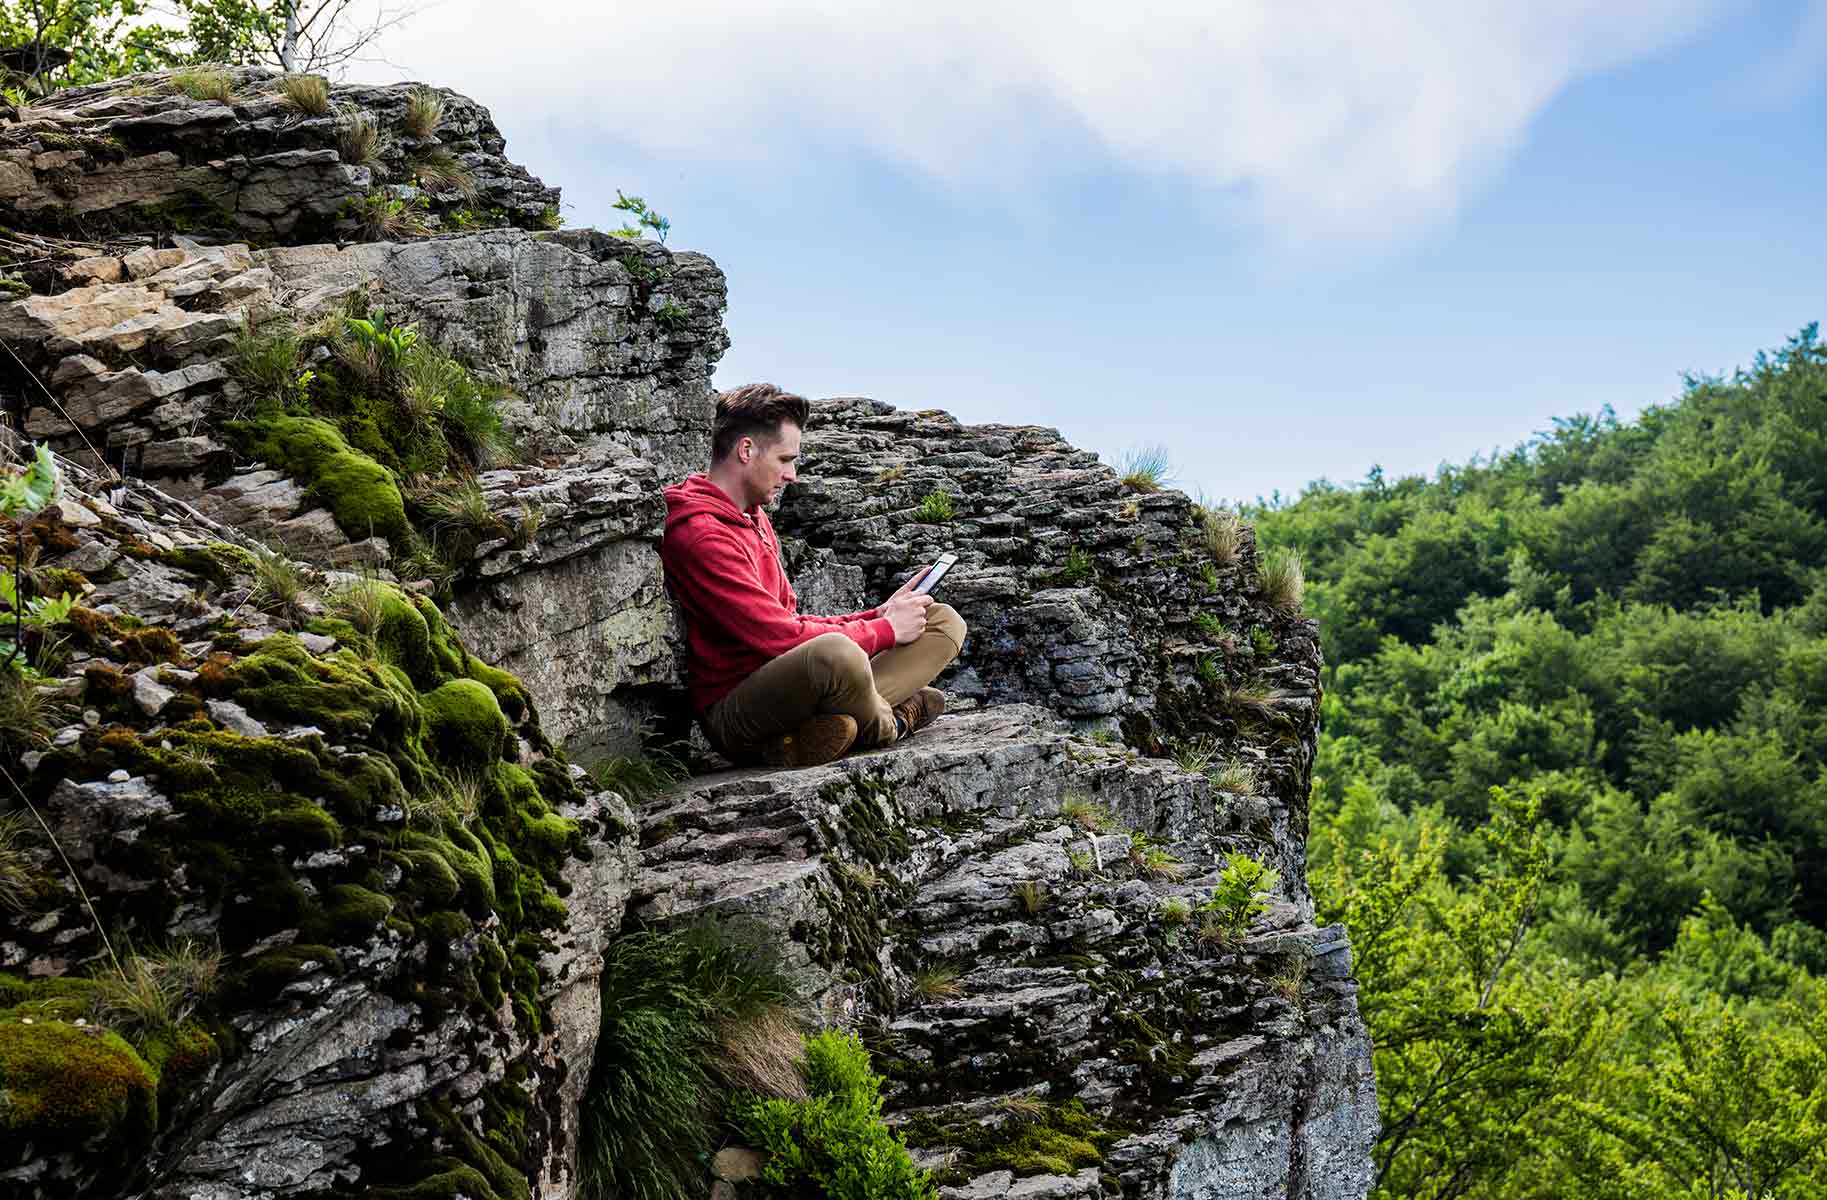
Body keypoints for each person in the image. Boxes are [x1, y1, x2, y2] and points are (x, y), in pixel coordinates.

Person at [660, 383, 967, 768]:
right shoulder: (701, 534)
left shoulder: (753, 518)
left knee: (941, 622)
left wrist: (878, 614)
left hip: (795, 683)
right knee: (837, 655)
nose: (791, 475)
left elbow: (792, 622)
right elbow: (779, 637)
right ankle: (893, 724)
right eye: (785, 459)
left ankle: (823, 732)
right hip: (737, 711)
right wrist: (886, 631)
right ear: (746, 451)